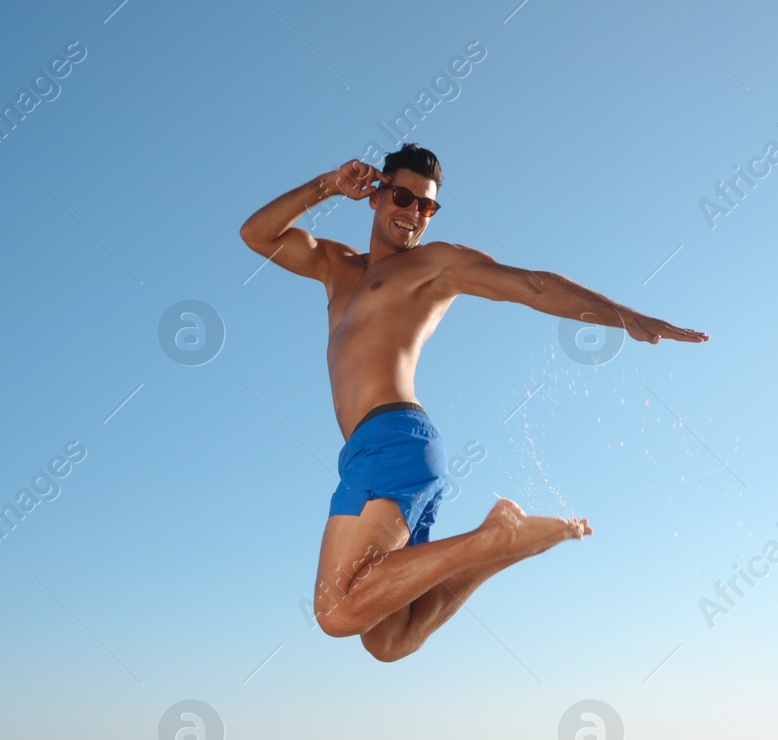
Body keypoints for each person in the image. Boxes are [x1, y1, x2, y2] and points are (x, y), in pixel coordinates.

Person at [239, 143, 709, 662]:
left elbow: (531, 287)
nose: (414, 213)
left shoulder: (435, 265)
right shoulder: (336, 265)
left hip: (393, 439)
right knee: (390, 639)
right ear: (374, 195)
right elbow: (255, 235)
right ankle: (504, 546)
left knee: (336, 611)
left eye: (427, 206)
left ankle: (491, 537)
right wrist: (327, 185)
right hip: (374, 448)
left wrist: (624, 316)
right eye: (403, 197)